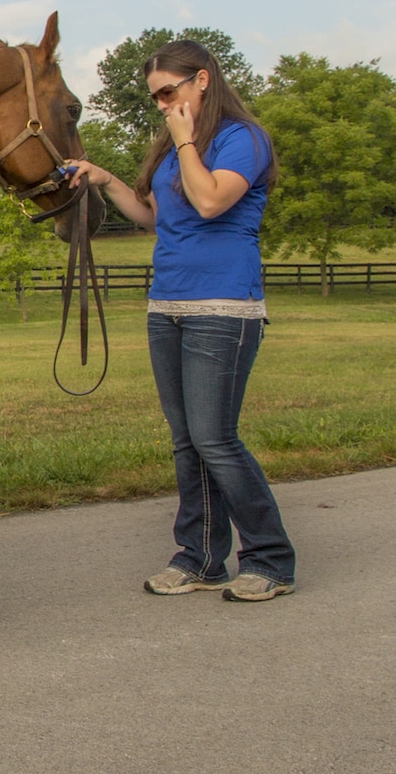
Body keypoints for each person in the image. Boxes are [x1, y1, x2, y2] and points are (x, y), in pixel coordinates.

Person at [69, 40, 296, 602]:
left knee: (216, 438)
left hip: (223, 307)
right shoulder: (176, 151)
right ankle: (199, 558)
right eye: (155, 98)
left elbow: (213, 201)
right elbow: (155, 218)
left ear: (201, 80)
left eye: (167, 92)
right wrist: (106, 179)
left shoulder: (241, 139)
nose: (162, 104)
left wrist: (185, 139)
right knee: (186, 442)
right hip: (167, 306)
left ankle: (270, 559)